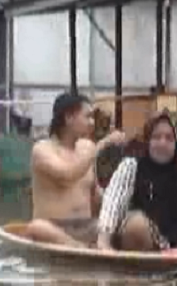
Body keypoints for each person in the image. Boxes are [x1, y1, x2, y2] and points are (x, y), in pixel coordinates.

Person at [96, 110, 177, 254]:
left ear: (175, 142)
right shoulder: (132, 166)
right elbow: (112, 203)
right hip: (148, 242)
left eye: (169, 138)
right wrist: (104, 241)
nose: (163, 143)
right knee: (136, 224)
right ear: (147, 141)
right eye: (156, 137)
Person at [22, 92, 126, 246]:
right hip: (53, 228)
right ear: (68, 118)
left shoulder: (87, 147)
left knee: (128, 225)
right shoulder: (42, 149)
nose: (92, 122)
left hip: (87, 226)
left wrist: (119, 200)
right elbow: (67, 175)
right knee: (36, 228)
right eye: (87, 117)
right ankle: (77, 246)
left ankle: (97, 246)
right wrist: (103, 144)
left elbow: (95, 195)